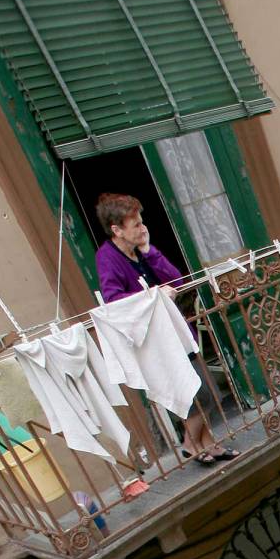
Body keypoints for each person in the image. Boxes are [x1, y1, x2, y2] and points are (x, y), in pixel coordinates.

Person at [94, 194, 232, 465]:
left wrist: (149, 251)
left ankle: (206, 443)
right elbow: (113, 300)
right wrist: (154, 295)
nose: (142, 227)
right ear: (117, 230)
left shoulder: (141, 251)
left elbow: (176, 280)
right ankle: (192, 443)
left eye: (142, 221)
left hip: (175, 332)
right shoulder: (107, 257)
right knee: (195, 394)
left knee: (209, 391)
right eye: (135, 224)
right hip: (153, 340)